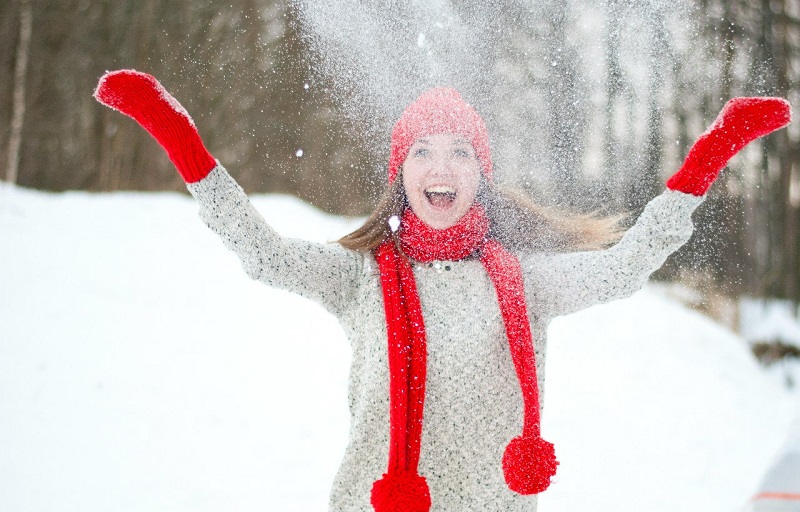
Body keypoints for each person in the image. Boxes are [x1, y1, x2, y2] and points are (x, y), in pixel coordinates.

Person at [94, 69, 791, 512]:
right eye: (422, 150)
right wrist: (179, 136)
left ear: (480, 175)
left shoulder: (523, 282)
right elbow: (262, 254)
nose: (442, 164)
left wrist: (713, 151)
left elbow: (627, 265)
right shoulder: (358, 278)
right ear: (400, 174)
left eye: (460, 151)